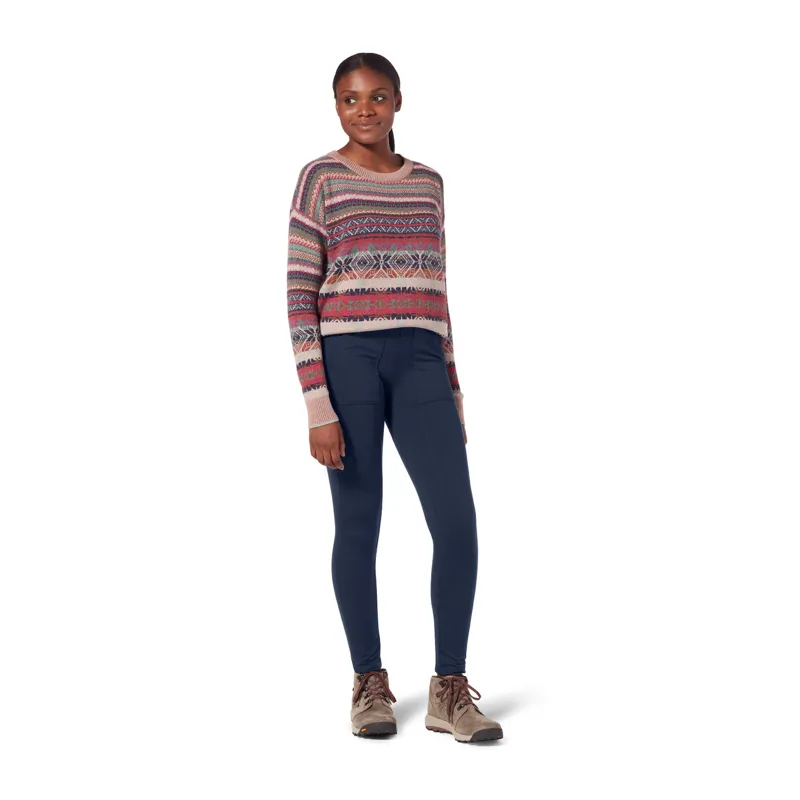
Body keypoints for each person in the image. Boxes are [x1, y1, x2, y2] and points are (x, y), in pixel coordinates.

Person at [286, 52, 503, 743]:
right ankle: (369, 682)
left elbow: (439, 289)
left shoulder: (429, 184)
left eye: (378, 97)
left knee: (457, 524)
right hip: (346, 360)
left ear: (399, 101)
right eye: (351, 99)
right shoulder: (320, 179)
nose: (365, 110)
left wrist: (452, 387)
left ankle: (449, 689)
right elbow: (299, 295)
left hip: (420, 362)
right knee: (359, 524)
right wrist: (318, 405)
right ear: (336, 106)